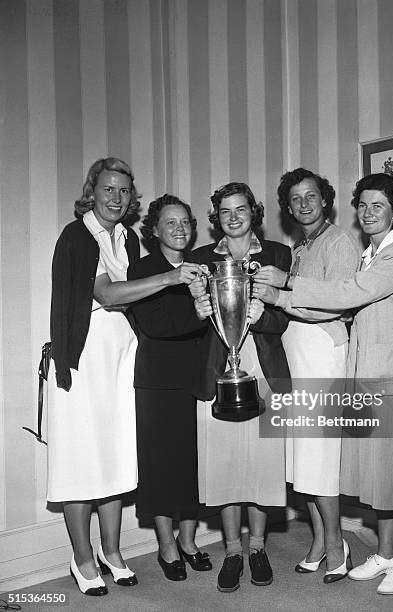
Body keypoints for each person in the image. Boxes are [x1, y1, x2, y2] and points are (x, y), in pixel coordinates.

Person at [255, 173, 393, 596]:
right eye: (364, 205)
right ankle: (386, 553)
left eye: (379, 206)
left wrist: (284, 287)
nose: (369, 213)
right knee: (382, 474)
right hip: (367, 374)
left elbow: (349, 292)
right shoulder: (370, 256)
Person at [47, 158, 203, 596]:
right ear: (91, 192)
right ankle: (82, 558)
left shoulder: (130, 239)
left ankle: (112, 551)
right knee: (81, 460)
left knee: (115, 455)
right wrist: (171, 276)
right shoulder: (77, 236)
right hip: (82, 356)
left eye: (123, 192)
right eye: (108, 190)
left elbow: (146, 307)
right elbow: (108, 294)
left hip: (122, 357)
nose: (116, 198)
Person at [253, 168, 360, 584]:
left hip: (323, 353)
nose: (303, 204)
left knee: (319, 458)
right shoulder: (302, 246)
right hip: (297, 353)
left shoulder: (338, 242)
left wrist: (280, 291)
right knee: (302, 458)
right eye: (295, 198)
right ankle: (318, 540)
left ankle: (336, 544)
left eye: (310, 196)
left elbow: (335, 304)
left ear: (325, 199)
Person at [190, 182, 291, 593]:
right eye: (225, 211)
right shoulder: (199, 261)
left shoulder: (278, 255)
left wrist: (263, 313)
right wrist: (197, 312)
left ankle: (259, 548)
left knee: (263, 461)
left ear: (254, 211)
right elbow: (189, 322)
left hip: (262, 367)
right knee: (225, 461)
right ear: (216, 217)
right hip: (219, 369)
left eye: (241, 209)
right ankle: (232, 550)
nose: (233, 217)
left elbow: (284, 319)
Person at [127, 195, 212, 581]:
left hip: (197, 377)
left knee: (192, 463)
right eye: (170, 223)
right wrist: (197, 313)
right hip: (158, 381)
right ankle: (166, 546)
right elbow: (155, 326)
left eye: (185, 222)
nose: (179, 229)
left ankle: (189, 540)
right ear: (154, 231)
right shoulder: (143, 269)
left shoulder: (205, 267)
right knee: (161, 466)